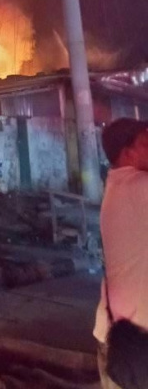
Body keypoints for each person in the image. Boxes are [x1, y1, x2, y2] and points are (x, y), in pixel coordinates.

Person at [93, 118, 148, 389]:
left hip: (117, 339)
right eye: (146, 143)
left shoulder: (117, 185)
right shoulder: (138, 187)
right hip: (137, 345)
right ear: (127, 153)